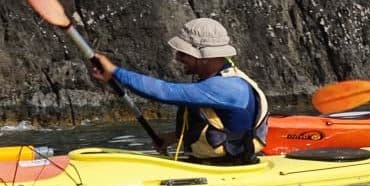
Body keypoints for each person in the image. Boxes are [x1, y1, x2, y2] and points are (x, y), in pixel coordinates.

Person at [88, 17, 269, 163]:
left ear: (204, 57)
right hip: (212, 164)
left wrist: (115, 71)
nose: (177, 57)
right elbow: (225, 124)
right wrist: (174, 137)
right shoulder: (218, 80)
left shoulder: (227, 87)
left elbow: (164, 92)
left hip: (228, 168)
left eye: (183, 53)